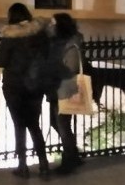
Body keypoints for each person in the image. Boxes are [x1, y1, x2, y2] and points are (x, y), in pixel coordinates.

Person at [0, 2, 51, 178]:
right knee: (34, 125)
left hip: (15, 87)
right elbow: (47, 55)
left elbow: (1, 61)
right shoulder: (40, 34)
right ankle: (43, 164)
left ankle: (23, 166)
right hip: (35, 85)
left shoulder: (11, 36)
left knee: (19, 125)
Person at [45, 13, 85, 175]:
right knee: (56, 123)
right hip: (56, 88)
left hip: (65, 89)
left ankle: (69, 162)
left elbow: (72, 68)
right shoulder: (56, 42)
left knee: (63, 125)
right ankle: (73, 155)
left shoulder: (71, 43)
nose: (50, 26)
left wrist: (52, 69)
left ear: (61, 26)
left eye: (53, 23)